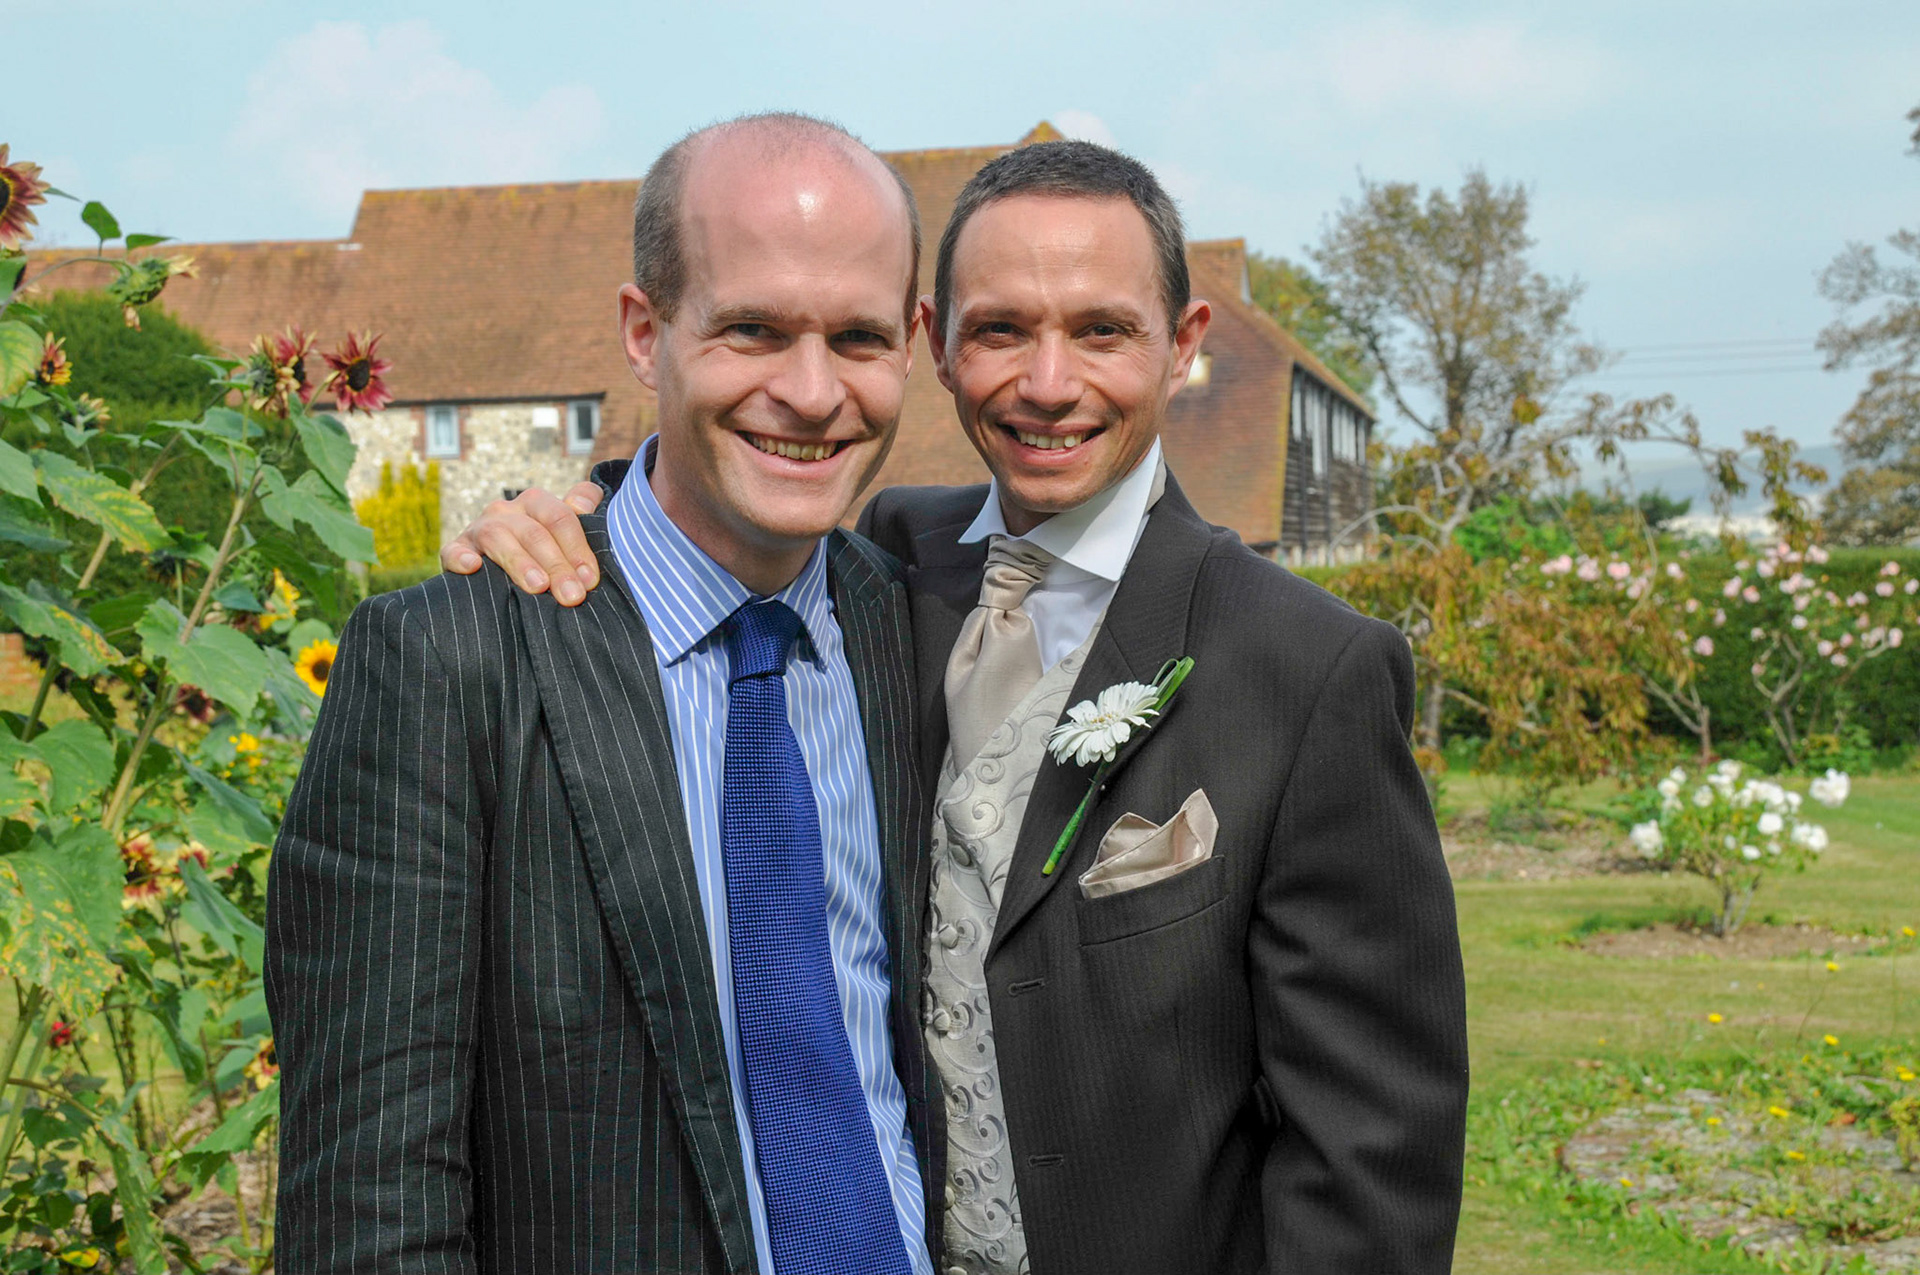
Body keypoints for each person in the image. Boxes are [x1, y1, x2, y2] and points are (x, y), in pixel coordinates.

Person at [448, 140, 1469, 1273]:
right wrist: (569, 523)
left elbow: (1373, 1161)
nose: (1048, 383)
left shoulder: (1311, 668)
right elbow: (706, 517)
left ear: (1183, 344)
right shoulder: (887, 567)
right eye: (1001, 331)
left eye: (1102, 331)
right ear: (935, 343)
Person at [266, 114, 942, 1275]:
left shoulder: (916, 630)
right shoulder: (448, 667)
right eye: (752, 330)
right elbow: (370, 1207)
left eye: (858, 339)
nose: (812, 391)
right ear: (644, 332)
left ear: (913, 343)